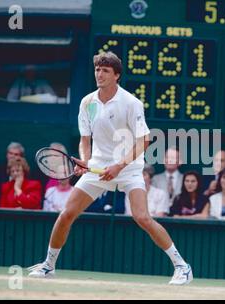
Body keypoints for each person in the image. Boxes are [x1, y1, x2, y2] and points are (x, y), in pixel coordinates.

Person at [28, 51, 192, 285]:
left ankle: (182, 267)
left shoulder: (131, 103)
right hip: (97, 168)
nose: (99, 74)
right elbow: (85, 140)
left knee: (142, 217)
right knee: (67, 214)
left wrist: (118, 166)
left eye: (105, 70)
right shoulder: (87, 102)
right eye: (97, 69)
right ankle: (48, 265)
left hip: (129, 168)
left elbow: (144, 140)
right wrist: (86, 161)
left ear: (116, 75)